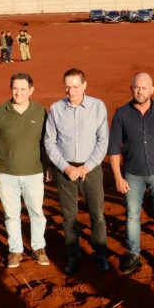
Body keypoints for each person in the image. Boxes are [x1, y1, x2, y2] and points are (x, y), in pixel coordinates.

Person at [108, 73, 154, 275]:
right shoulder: (122, 114)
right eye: (135, 87)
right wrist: (118, 176)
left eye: (143, 87)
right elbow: (114, 148)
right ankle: (133, 254)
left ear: (152, 89)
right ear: (131, 88)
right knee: (132, 216)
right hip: (132, 175)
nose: (139, 91)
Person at [44, 68, 110, 274]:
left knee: (97, 215)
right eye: (67, 86)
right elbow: (49, 142)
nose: (70, 91)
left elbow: (103, 141)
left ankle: (100, 255)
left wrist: (87, 166)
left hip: (91, 170)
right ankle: (73, 256)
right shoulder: (56, 109)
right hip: (66, 171)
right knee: (69, 217)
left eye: (74, 86)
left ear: (84, 85)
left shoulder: (98, 107)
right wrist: (66, 167)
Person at [0, 73, 49, 269]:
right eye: (15, 88)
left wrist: (47, 167)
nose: (18, 92)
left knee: (36, 212)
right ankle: (15, 250)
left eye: (22, 89)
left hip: (34, 172)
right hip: (5, 172)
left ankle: (38, 247)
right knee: (11, 214)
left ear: (31, 90)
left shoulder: (40, 112)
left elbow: (46, 143)